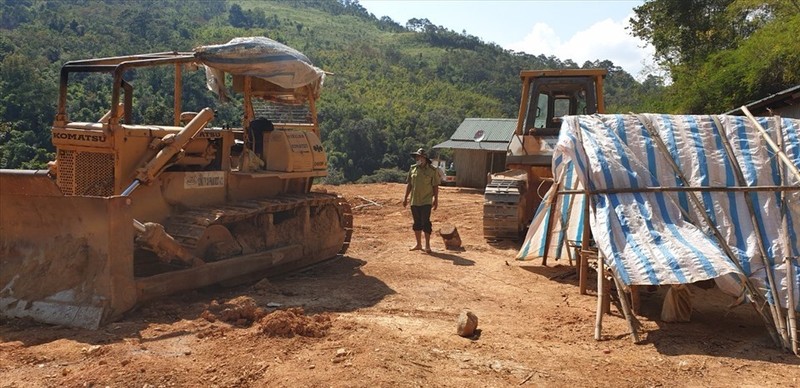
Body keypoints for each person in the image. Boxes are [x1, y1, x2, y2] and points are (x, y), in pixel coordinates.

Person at [403, 148, 439, 253]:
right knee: (417, 222)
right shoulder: (413, 169)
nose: (418, 159)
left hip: (426, 200)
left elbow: (435, 186)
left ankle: (427, 245)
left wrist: (436, 200)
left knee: (426, 222)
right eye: (417, 157)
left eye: (420, 157)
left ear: (425, 158)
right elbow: (409, 184)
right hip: (414, 200)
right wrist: (405, 198)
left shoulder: (432, 170)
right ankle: (418, 244)